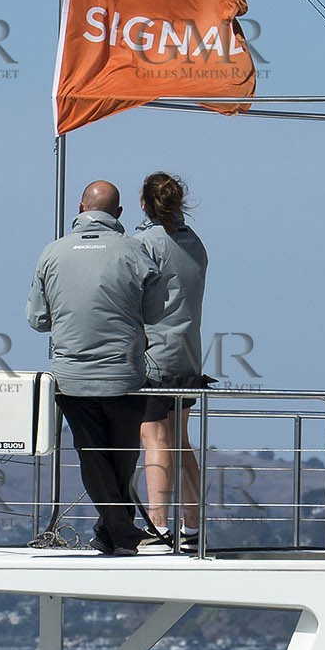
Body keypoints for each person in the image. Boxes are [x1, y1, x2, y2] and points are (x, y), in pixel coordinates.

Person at [27, 180, 163, 556]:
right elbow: (155, 313)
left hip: (72, 376)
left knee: (92, 453)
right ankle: (121, 531)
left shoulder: (52, 254)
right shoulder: (134, 252)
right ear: (118, 214)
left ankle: (112, 532)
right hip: (124, 375)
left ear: (81, 208)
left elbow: (37, 319)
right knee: (121, 456)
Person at [135, 172, 208, 544]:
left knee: (153, 438)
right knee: (180, 439)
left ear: (144, 203)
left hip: (154, 356)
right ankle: (192, 526)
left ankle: (158, 526)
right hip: (188, 355)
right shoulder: (195, 242)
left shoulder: (145, 243)